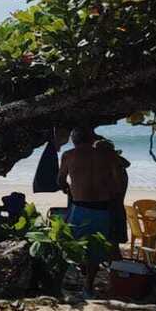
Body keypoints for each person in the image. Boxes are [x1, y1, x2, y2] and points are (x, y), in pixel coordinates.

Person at [57, 127, 125, 297]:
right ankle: (88, 287)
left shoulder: (68, 155)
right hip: (102, 207)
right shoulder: (107, 155)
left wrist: (69, 189)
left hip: (79, 206)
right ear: (91, 139)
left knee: (71, 244)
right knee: (96, 249)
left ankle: (74, 278)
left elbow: (60, 180)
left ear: (74, 140)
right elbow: (118, 184)